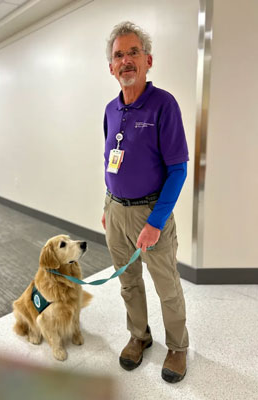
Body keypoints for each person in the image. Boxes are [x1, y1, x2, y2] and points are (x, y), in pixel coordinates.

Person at [102, 21, 189, 383]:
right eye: (118, 55)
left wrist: (155, 222)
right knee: (128, 283)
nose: (126, 60)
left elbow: (179, 170)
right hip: (115, 211)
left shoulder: (163, 105)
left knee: (166, 285)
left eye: (133, 52)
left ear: (148, 60)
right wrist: (107, 205)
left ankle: (178, 347)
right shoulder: (110, 109)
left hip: (151, 212)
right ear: (111, 67)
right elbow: (110, 158)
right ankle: (139, 336)